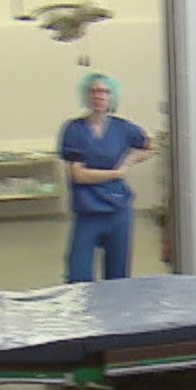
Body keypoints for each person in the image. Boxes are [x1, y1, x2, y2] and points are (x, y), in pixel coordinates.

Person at [59, 72, 153, 282]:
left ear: (112, 97)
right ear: (86, 96)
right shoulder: (73, 129)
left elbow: (148, 147)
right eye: (94, 91)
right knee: (78, 278)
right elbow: (78, 174)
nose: (99, 96)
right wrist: (115, 173)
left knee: (118, 279)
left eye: (105, 92)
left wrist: (128, 161)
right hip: (88, 213)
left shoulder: (123, 128)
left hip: (118, 212)